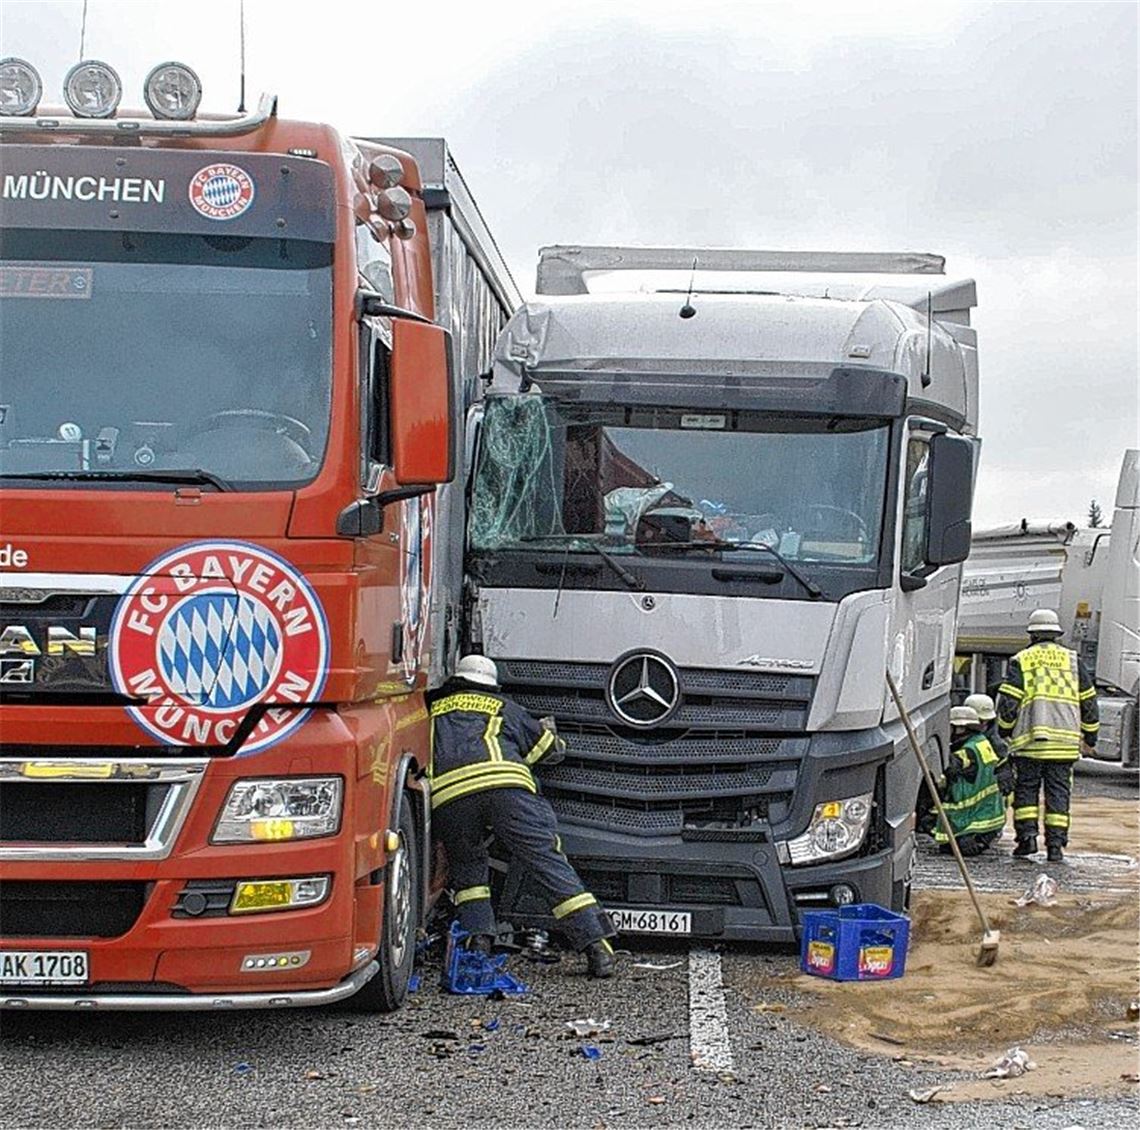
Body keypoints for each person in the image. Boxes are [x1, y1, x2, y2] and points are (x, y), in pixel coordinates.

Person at [428, 654, 617, 978]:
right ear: (491, 685)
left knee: (469, 870)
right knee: (546, 863)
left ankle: (479, 944)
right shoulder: (504, 707)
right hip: (508, 791)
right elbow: (547, 750)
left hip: (450, 798)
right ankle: (596, 946)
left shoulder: (432, 711)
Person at [996, 609, 1099, 863]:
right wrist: (1091, 736)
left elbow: (1010, 703)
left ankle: (1027, 840)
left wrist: (1004, 731)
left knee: (1027, 792)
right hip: (1064, 744)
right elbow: (1088, 701)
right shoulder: (1073, 661)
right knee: (1059, 794)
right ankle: (1055, 846)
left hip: (1030, 742)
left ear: (1032, 634)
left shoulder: (1022, 660)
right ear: (1057, 635)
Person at [933, 705, 1006, 856]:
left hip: (970, 823)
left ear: (961, 729)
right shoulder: (981, 742)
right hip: (985, 816)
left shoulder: (968, 751)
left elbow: (951, 767)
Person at [964, 692, 1014, 805]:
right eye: (980, 720)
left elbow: (1002, 760)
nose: (984, 724)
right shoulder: (958, 739)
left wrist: (1004, 773)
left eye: (987, 720)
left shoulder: (996, 743)